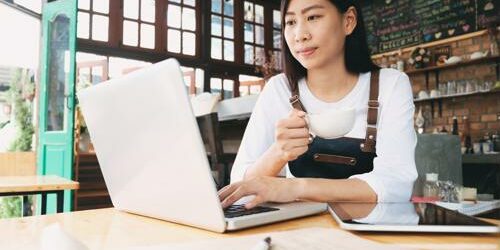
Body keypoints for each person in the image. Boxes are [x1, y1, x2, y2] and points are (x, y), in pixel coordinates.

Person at [218, 0, 417, 209]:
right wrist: (278, 153)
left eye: (312, 17)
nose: (300, 35)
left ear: (348, 21)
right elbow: (240, 188)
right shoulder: (279, 89)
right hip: (299, 231)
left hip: (372, 233)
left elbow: (396, 185)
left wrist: (296, 188)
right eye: (291, 21)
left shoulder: (390, 84)